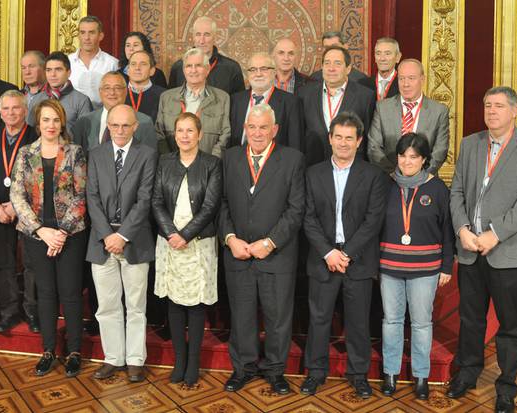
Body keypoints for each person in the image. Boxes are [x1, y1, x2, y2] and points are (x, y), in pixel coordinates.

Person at [448, 87, 517, 413]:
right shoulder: (470, 144)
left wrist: (495, 234)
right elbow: (457, 191)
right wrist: (462, 229)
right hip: (470, 249)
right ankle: (467, 374)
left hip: (510, 252)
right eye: (487, 105)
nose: (491, 111)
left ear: (514, 111)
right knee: (470, 319)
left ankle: (506, 388)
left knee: (510, 325)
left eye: (499, 106)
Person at [218, 104, 305, 395]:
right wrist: (230, 238)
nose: (257, 133)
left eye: (263, 127)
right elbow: (222, 203)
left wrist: (270, 242)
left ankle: (275, 371)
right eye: (252, 127)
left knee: (278, 318)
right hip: (239, 253)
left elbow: (296, 209)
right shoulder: (230, 157)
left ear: (274, 130)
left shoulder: (292, 159)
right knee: (242, 316)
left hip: (276, 255)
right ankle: (243, 368)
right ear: (245, 129)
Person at [300, 112, 388, 397]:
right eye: (338, 137)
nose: (343, 143)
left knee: (358, 322)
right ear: (330, 138)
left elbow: (373, 221)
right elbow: (307, 218)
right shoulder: (313, 173)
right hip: (323, 259)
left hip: (357, 260)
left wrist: (346, 253)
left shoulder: (373, 175)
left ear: (359, 141)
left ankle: (359, 374)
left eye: (349, 138)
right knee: (319, 319)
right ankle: (315, 372)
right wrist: (329, 252)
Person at [10, 99, 88, 378]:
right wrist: (41, 231)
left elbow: (81, 195)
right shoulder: (25, 153)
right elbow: (16, 195)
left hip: (70, 234)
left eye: (56, 120)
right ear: (38, 123)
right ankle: (48, 350)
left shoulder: (75, 152)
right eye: (46, 120)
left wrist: (61, 233)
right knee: (44, 293)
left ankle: (74, 351)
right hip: (37, 235)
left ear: (62, 122)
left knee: (70, 292)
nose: (51, 125)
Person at [378, 132, 453, 400]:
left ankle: (421, 376)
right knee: (391, 321)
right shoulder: (385, 185)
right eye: (402, 156)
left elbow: (448, 230)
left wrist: (446, 266)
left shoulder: (438, 189)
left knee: (421, 323)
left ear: (424, 160)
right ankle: (390, 373)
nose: (407, 161)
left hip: (425, 268)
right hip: (390, 266)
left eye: (413, 156)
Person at [87, 104, 158, 383]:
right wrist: (107, 235)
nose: (119, 130)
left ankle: (135, 360)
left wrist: (122, 235)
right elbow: (91, 197)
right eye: (114, 125)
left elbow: (145, 199)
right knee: (107, 305)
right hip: (101, 241)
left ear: (135, 127)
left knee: (136, 305)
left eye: (125, 125)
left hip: (135, 239)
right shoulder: (96, 154)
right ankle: (113, 358)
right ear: (108, 126)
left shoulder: (147, 154)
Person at [152, 112, 222, 386]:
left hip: (198, 244)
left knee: (195, 304)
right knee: (174, 302)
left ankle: (193, 364)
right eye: (180, 130)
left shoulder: (212, 164)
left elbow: (210, 206)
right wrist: (172, 234)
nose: (184, 136)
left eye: (190, 130)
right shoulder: (164, 162)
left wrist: (186, 235)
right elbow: (156, 201)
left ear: (200, 134)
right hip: (169, 243)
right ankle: (179, 362)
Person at [0, 90, 38, 333]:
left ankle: (32, 311)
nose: (11, 113)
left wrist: (17, 206)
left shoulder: (36, 136)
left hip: (29, 211)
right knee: (3, 264)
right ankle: (8, 311)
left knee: (31, 264)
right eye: (6, 108)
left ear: (25, 110)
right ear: (0, 111)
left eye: (16, 108)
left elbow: (41, 179)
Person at [368, 59, 450, 175]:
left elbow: (440, 151)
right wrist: (394, 175)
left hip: (424, 180)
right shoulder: (382, 108)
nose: (405, 84)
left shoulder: (439, 111)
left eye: (411, 78)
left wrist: (420, 177)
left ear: (422, 79)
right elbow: (373, 148)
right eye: (401, 78)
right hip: (388, 178)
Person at [298, 46, 375, 166]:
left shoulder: (365, 96)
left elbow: (368, 138)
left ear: (348, 68)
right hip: (313, 165)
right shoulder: (304, 93)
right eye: (327, 63)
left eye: (337, 64)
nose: (331, 68)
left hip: (352, 166)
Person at [156, 48, 230, 158]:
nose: (193, 70)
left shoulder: (222, 98)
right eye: (189, 66)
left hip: (209, 164)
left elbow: (225, 134)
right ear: (184, 70)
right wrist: (170, 161)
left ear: (207, 69)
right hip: (172, 163)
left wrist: (211, 161)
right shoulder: (166, 97)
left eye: (198, 65)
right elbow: (159, 133)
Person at [229, 52, 303, 151]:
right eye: (253, 70)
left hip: (275, 159)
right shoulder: (235, 100)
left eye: (264, 69)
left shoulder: (291, 102)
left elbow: (295, 145)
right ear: (248, 74)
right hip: (239, 158)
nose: (258, 74)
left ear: (274, 72)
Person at [72, 71, 157, 156]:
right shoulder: (84, 121)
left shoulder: (144, 122)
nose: (112, 92)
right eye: (107, 88)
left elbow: (150, 157)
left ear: (126, 91)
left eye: (117, 88)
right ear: (100, 92)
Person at [168, 16, 244, 95]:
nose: (202, 41)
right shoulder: (178, 67)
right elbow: (171, 99)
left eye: (207, 35)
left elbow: (239, 101)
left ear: (215, 37)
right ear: (193, 37)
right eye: (198, 34)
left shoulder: (232, 68)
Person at [28, 52, 93, 135]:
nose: (53, 74)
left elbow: (85, 135)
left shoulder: (82, 100)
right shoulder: (36, 99)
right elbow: (29, 132)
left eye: (58, 69)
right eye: (49, 70)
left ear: (68, 73)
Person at [68, 15, 119, 107]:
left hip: (104, 113)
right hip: (72, 114)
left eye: (91, 33)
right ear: (78, 35)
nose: (86, 37)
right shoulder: (67, 62)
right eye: (82, 33)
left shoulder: (112, 64)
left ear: (100, 36)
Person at [124, 50, 166, 123]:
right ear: (128, 70)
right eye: (133, 64)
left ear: (152, 71)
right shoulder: (118, 93)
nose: (137, 68)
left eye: (143, 64)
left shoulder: (164, 95)